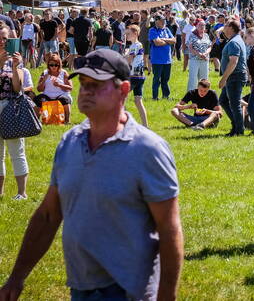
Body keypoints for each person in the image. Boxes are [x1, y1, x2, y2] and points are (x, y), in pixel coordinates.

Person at [0, 49, 183, 300]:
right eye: (83, 83)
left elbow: (169, 229)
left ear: (124, 90)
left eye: (96, 85)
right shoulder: (70, 142)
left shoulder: (147, 149)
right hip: (81, 287)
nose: (85, 91)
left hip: (131, 290)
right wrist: (16, 277)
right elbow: (48, 216)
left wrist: (166, 296)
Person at [0, 30, 29, 200]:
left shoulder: (15, 61)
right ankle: (1, 192)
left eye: (5, 38)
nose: (3, 41)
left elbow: (18, 88)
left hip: (12, 108)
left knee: (16, 151)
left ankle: (21, 193)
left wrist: (16, 66)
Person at [218, 19, 248, 137]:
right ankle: (236, 125)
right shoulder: (234, 40)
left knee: (234, 104)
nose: (224, 27)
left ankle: (239, 130)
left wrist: (223, 79)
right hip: (234, 76)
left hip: (235, 76)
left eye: (226, 25)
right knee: (224, 101)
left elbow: (233, 62)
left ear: (231, 28)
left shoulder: (234, 42)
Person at [34, 53, 73, 125]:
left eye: (56, 65)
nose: (54, 67)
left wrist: (59, 85)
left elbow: (70, 88)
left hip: (61, 94)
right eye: (51, 65)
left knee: (65, 99)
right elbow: (39, 89)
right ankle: (35, 122)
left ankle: (67, 121)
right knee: (38, 99)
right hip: (47, 95)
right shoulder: (45, 73)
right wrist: (44, 80)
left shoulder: (64, 73)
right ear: (48, 65)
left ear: (59, 64)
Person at [123, 24, 149, 128]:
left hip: (133, 76)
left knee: (121, 99)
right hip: (140, 76)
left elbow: (129, 60)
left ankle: (125, 124)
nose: (127, 36)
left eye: (128, 34)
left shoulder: (135, 45)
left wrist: (121, 58)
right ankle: (145, 126)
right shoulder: (138, 45)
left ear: (135, 33)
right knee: (138, 101)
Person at [148, 15, 175, 101]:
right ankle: (155, 97)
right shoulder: (152, 30)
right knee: (157, 79)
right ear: (156, 21)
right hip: (157, 59)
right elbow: (157, 43)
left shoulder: (166, 29)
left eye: (164, 20)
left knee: (165, 79)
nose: (164, 22)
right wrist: (168, 41)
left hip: (167, 59)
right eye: (162, 20)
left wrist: (163, 39)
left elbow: (174, 40)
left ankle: (166, 96)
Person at [185, 19, 211, 93]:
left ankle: (203, 95)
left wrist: (205, 53)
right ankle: (191, 96)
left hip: (205, 60)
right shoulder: (192, 35)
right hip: (194, 60)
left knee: (204, 79)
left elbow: (209, 46)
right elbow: (190, 47)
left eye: (203, 25)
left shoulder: (206, 35)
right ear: (196, 26)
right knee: (193, 79)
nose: (202, 26)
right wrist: (198, 54)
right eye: (200, 25)